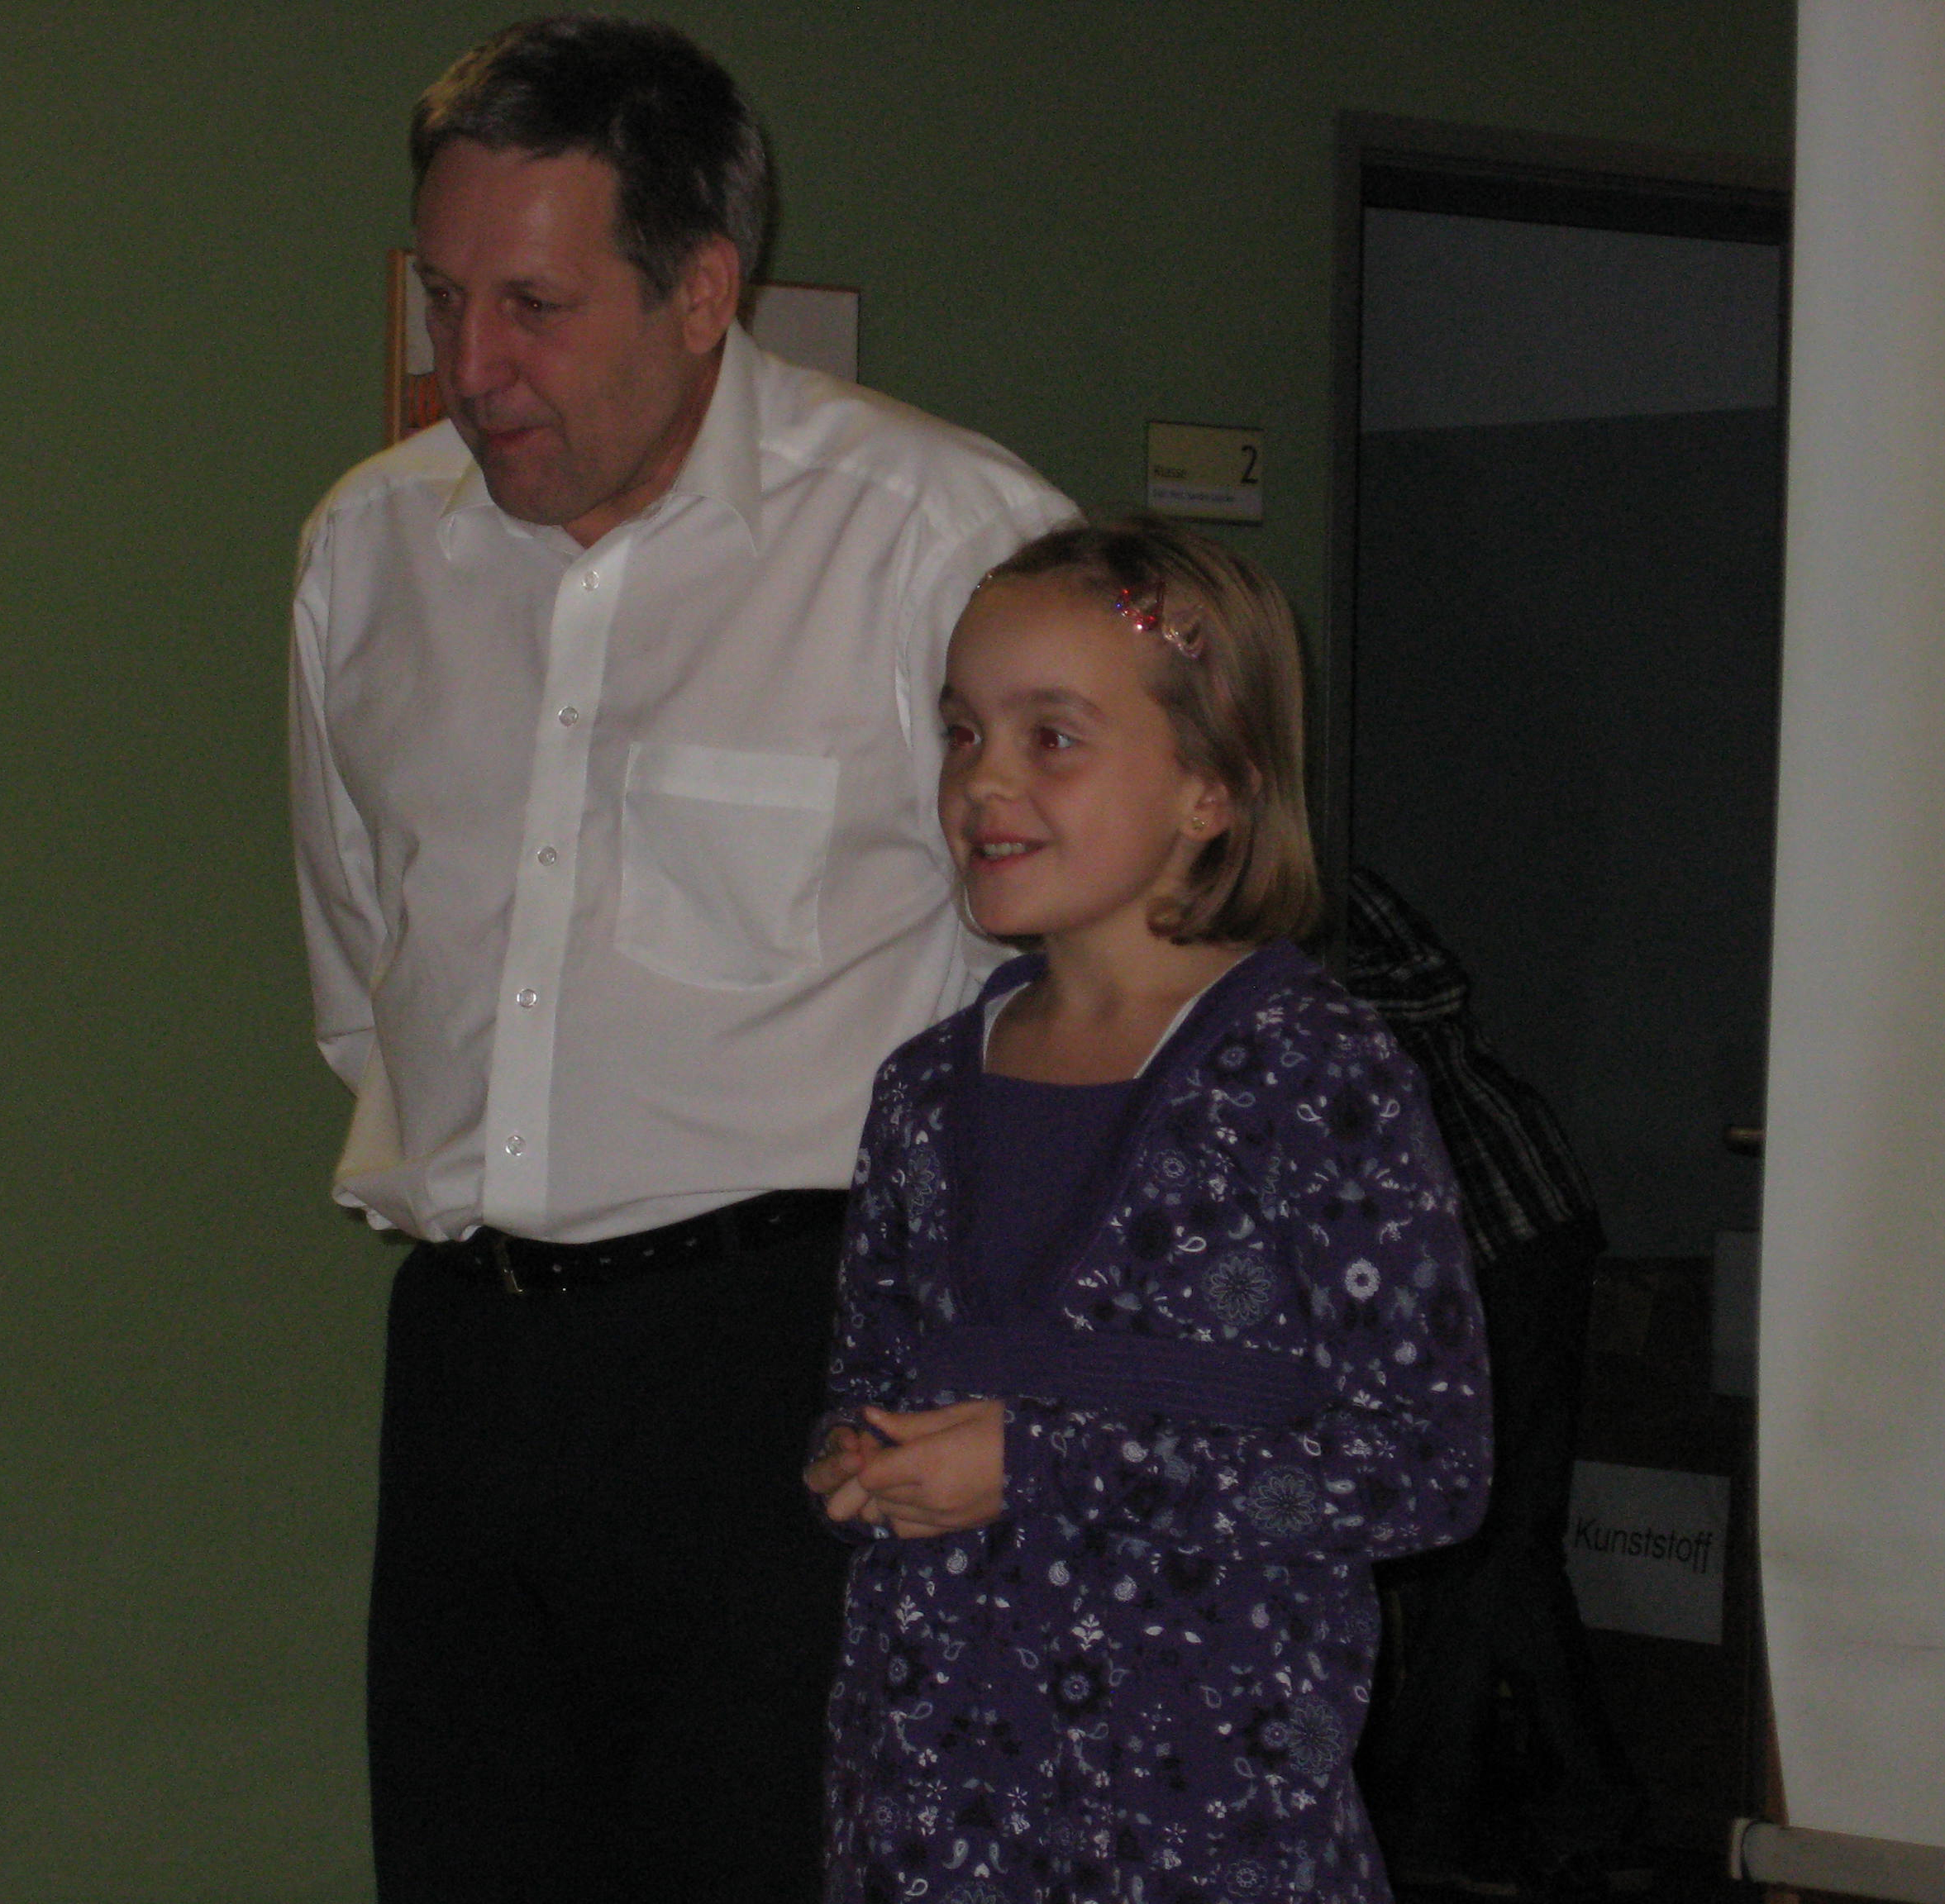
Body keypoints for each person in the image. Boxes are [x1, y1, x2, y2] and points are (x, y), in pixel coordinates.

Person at [288, 16, 1074, 1903]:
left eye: (535, 307)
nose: (471, 366)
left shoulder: (943, 545)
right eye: (444, 297)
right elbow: (365, 971)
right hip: (470, 1362)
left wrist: (1035, 1395)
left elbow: (1109, 1016)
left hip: (801, 1361)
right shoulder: (364, 551)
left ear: (704, 289)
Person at [803, 517, 1495, 1904]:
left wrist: (1045, 1463)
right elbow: (862, 1391)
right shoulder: (922, 1093)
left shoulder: (1312, 1073)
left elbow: (1424, 1466)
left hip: (1210, 1832)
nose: (983, 779)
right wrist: (857, 1461)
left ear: (1212, 787)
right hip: (931, 1820)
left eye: (1051, 736)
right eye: (961, 732)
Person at [1344, 867, 1651, 1900]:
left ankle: (1470, 1820)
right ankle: (1550, 1812)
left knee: (1494, 1542)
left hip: (1508, 1236)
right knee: (1487, 1546)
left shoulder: (1315, 893)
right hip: (1461, 1260)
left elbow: (1436, 984)